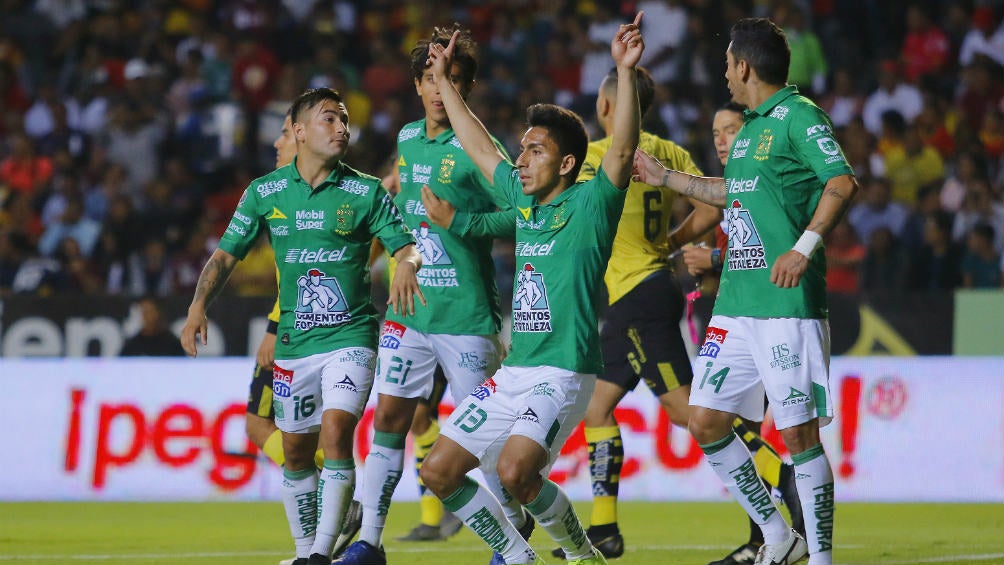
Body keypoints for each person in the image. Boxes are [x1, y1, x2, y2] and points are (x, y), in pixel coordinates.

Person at [417, 14, 645, 565]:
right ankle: (518, 557)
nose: (520, 160)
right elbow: (481, 149)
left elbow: (621, 150)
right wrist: (444, 81)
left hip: (563, 370)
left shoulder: (591, 205)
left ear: (567, 163)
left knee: (516, 471)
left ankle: (582, 556)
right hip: (514, 371)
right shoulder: (522, 201)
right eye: (521, 150)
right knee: (438, 470)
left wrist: (623, 71)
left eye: (535, 151)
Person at [633, 18, 860, 565]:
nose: (725, 74)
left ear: (744, 66)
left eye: (727, 64)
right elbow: (731, 192)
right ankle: (778, 535)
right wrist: (666, 178)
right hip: (735, 307)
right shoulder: (752, 129)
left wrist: (803, 248)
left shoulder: (800, 116)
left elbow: (842, 181)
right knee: (705, 421)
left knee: (799, 436)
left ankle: (821, 557)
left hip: (785, 306)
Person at [180, 87, 424, 565]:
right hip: (295, 344)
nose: (342, 128)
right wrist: (197, 306)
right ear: (299, 131)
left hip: (351, 337)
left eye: (344, 120)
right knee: (294, 450)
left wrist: (407, 265)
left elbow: (406, 245)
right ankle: (304, 549)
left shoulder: (366, 191)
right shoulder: (265, 192)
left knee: (336, 431)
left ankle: (318, 554)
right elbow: (226, 256)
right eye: (329, 119)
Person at [336, 26, 523, 565]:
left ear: (468, 88)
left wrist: (460, 221)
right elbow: (405, 211)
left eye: (454, 80)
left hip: (466, 316)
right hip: (410, 312)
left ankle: (512, 537)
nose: (442, 90)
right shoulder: (408, 138)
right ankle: (371, 542)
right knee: (389, 421)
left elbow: (520, 214)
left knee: (483, 435)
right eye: (432, 79)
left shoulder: (480, 149)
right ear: (418, 85)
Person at [683, 102, 806, 565]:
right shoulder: (727, 191)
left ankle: (787, 488)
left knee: (734, 426)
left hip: (762, 317)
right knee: (734, 428)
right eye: (715, 132)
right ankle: (761, 540)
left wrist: (712, 259)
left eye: (730, 130)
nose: (720, 140)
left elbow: (769, 246)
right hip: (726, 315)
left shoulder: (760, 184)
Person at [248, 113, 362, 565]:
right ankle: (328, 522)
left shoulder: (327, 193)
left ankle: (338, 509)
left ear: (301, 138)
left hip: (299, 333)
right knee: (282, 431)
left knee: (264, 426)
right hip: (295, 329)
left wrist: (273, 328)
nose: (277, 143)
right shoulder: (279, 193)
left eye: (284, 133)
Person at [119, 296, 185, 356]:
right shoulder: (131, 346)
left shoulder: (173, 344)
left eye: (148, 312)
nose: (144, 316)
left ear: (157, 313)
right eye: (141, 312)